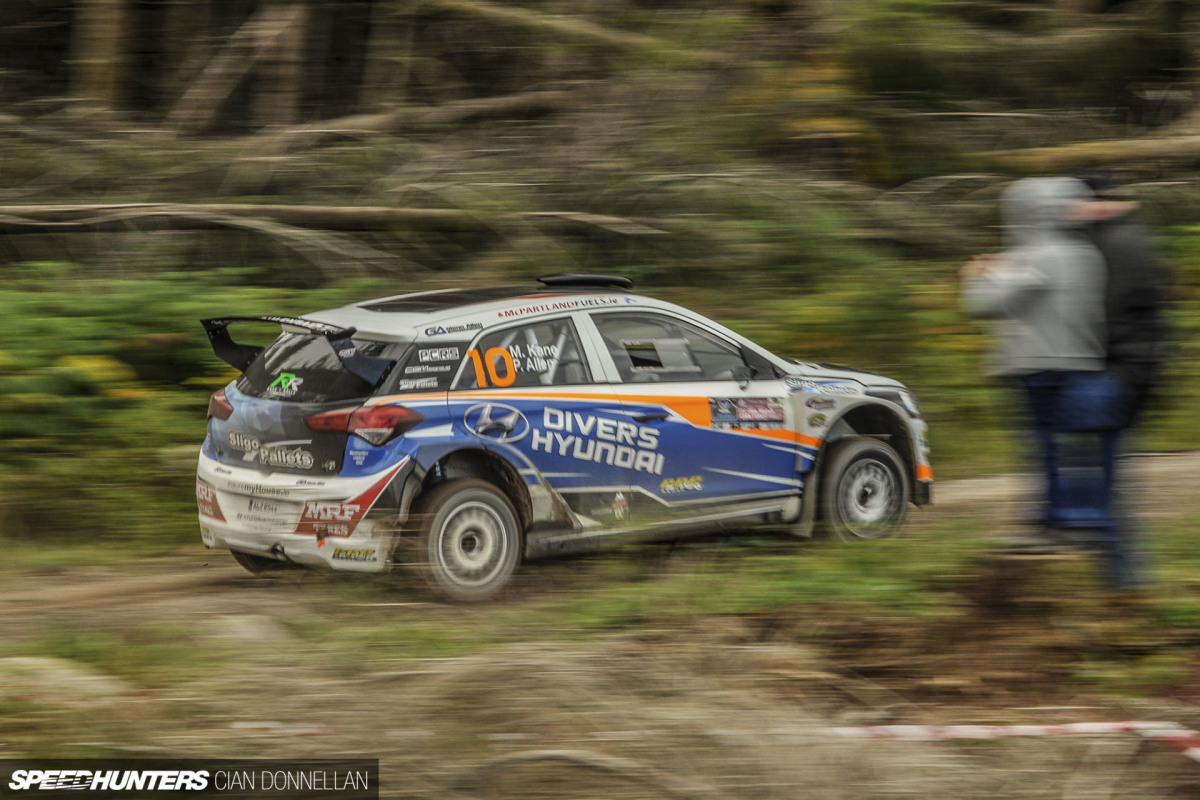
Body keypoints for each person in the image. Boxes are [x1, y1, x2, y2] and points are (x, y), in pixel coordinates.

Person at [962, 176, 1142, 589]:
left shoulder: (1035, 256)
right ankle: (1079, 523)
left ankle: (1054, 523)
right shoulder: (1087, 254)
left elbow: (983, 304)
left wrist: (979, 274)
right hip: (1083, 361)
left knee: (1042, 449)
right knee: (1074, 450)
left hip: (1037, 366)